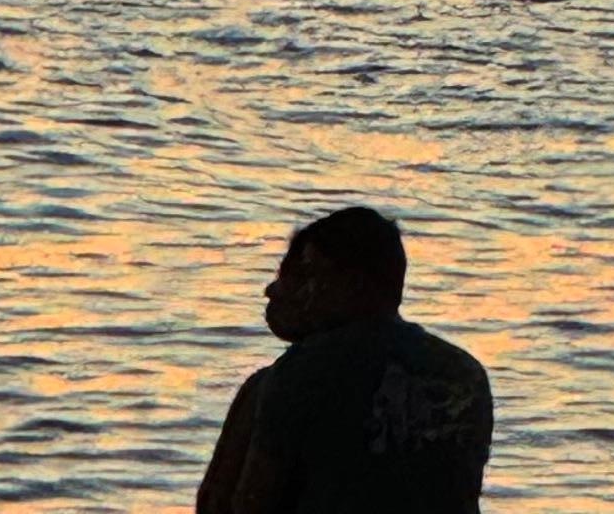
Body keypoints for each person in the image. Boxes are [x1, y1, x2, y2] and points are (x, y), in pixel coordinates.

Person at [195, 206, 491, 514]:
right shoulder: (465, 374)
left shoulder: (296, 375)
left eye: (301, 274)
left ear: (350, 284)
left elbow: (244, 504)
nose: (272, 289)